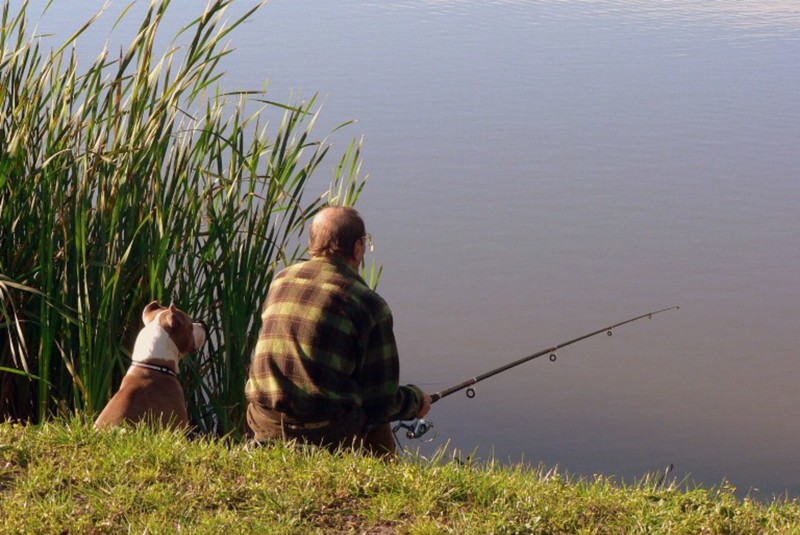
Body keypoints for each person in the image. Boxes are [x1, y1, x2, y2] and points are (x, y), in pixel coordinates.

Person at [245, 206, 431, 457]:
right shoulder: (369, 304)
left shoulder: (281, 280)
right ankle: (386, 483)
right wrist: (417, 401)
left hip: (263, 420)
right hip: (323, 432)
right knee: (375, 415)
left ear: (312, 243)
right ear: (357, 248)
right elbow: (382, 402)